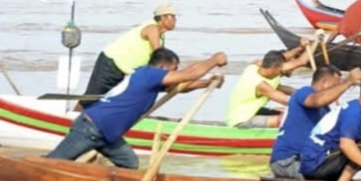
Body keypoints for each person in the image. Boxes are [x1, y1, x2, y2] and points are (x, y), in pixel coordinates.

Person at [47, 48, 227, 168]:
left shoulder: (147, 78)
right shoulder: (150, 75)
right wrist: (214, 59)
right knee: (53, 162)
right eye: (173, 69)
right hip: (91, 127)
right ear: (162, 67)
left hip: (108, 135)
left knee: (130, 165)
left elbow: (179, 86)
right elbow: (188, 74)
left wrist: (207, 83)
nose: (174, 73)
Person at [269, 64, 361, 179]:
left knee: (357, 145)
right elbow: (318, 100)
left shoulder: (326, 110)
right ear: (323, 82)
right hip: (288, 161)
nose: (338, 92)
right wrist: (348, 82)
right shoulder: (304, 92)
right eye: (335, 85)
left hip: (306, 160)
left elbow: (341, 132)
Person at [77, 4, 178, 109]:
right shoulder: (152, 28)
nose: (175, 20)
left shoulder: (161, 36)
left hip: (125, 70)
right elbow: (159, 55)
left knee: (116, 99)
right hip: (111, 62)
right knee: (91, 98)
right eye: (173, 17)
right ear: (162, 17)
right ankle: (73, 116)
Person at [224, 42, 315, 128]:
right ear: (273, 68)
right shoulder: (262, 85)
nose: (281, 72)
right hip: (241, 121)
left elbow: (298, 62)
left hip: (250, 112)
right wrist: (312, 103)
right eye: (280, 70)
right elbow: (286, 100)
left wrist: (301, 47)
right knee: (286, 118)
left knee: (284, 111)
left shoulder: (254, 66)